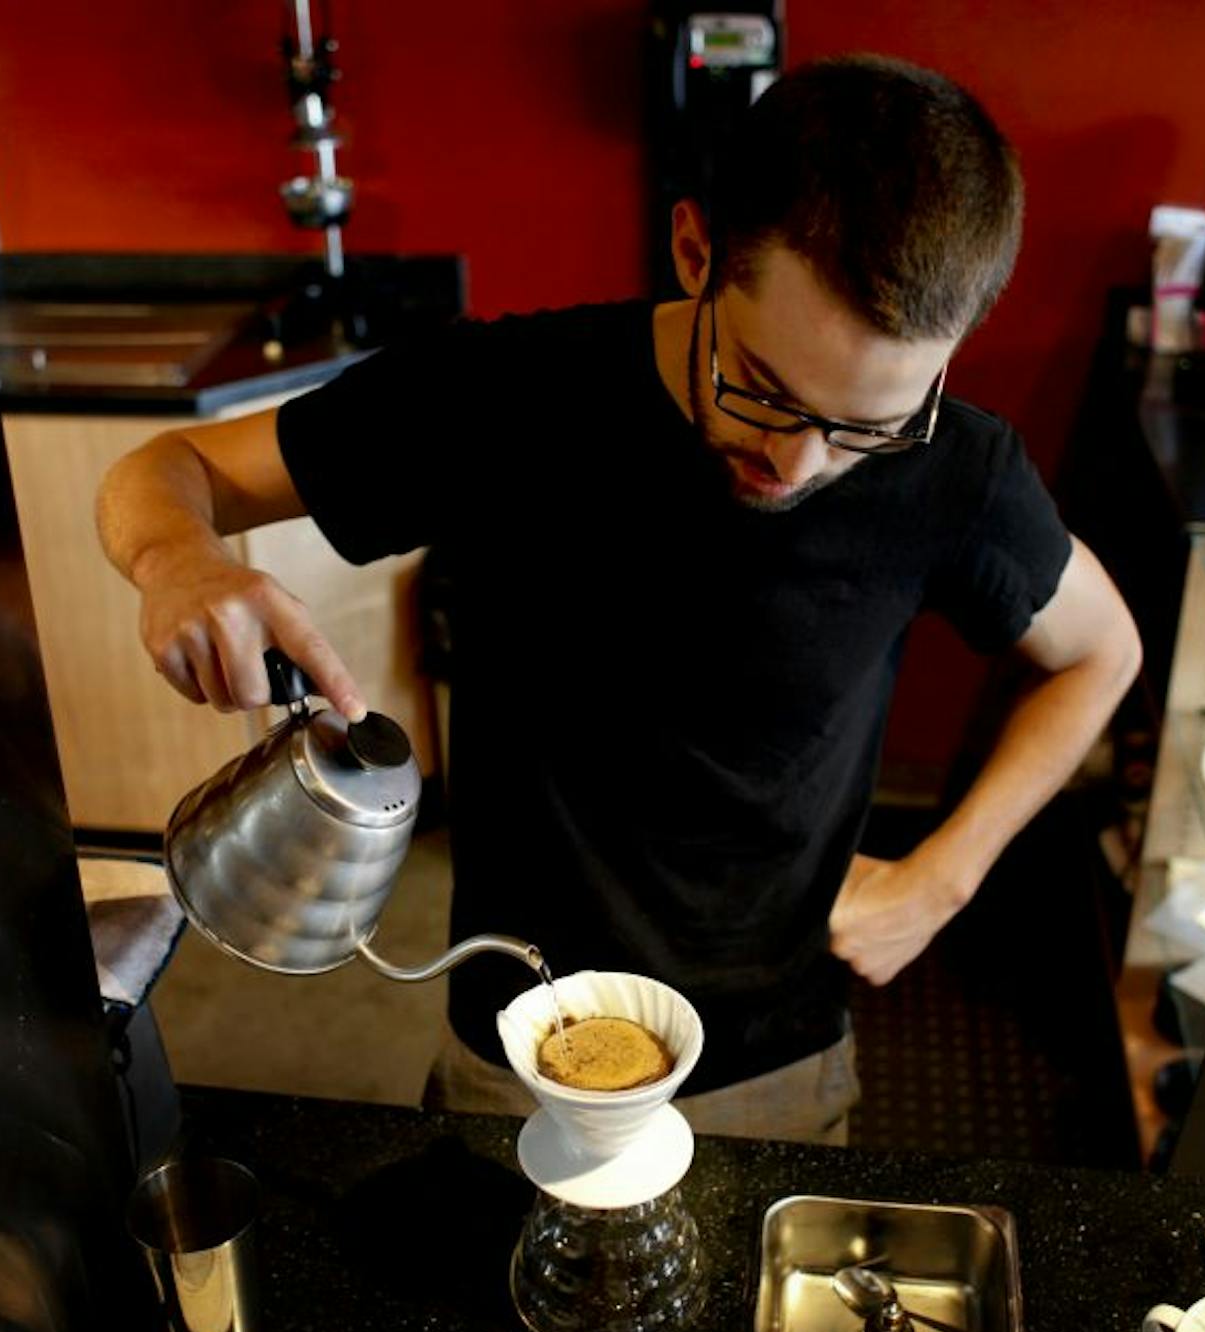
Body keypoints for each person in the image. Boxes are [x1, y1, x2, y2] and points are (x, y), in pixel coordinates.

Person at [97, 55, 1140, 1145]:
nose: (798, 462)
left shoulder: (959, 470)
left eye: (866, 427)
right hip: (523, 1034)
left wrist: (946, 875)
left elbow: (1100, 654)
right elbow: (164, 471)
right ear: (696, 252)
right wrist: (180, 560)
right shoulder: (510, 396)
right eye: (765, 389)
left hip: (777, 1052)